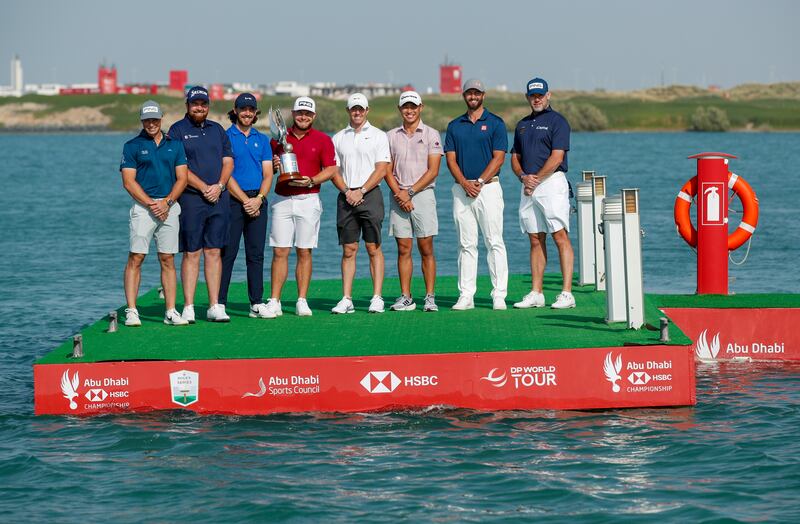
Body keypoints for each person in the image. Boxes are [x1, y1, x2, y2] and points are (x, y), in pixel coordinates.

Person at [266, 96, 338, 317]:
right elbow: (268, 169)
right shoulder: (278, 139)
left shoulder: (324, 139)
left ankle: (301, 300)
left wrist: (312, 180)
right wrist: (276, 164)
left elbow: (331, 169)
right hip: (283, 199)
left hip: (309, 199)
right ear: (293, 114)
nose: (303, 117)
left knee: (304, 250)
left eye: (307, 113)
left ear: (313, 116)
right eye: (299, 113)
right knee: (280, 250)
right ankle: (275, 301)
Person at [120, 100, 189, 326]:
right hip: (144, 208)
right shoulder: (131, 146)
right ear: (142, 120)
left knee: (168, 258)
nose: (151, 123)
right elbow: (129, 183)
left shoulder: (175, 145)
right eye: (147, 120)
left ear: (161, 119)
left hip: (169, 207)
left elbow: (182, 179)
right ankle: (132, 310)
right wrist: (152, 204)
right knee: (136, 257)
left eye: (155, 119)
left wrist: (167, 202)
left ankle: (170, 311)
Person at [168, 86, 234, 322]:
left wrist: (219, 185)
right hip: (191, 199)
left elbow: (228, 161)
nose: (199, 107)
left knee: (214, 251)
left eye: (203, 104)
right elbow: (180, 168)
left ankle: (214, 305)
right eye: (195, 104)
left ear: (208, 106)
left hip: (218, 198)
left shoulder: (217, 130)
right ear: (187, 105)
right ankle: (188, 306)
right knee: (192, 252)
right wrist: (204, 187)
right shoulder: (177, 130)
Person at [444, 79, 509, 311]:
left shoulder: (496, 123)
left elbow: (499, 157)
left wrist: (479, 182)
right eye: (469, 93)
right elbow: (450, 159)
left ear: (483, 95)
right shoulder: (454, 125)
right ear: (464, 96)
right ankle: (466, 295)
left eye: (477, 93)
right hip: (461, 190)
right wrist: (464, 183)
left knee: (494, 242)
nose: (473, 96)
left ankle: (499, 294)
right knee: (466, 244)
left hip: (489, 188)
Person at [511, 77, 576, 309]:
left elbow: (557, 156)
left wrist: (535, 179)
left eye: (540, 95)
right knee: (535, 238)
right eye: (532, 95)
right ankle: (536, 292)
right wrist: (523, 178)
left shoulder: (558, 121)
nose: (536, 99)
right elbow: (515, 158)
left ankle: (567, 294)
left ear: (548, 95)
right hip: (528, 185)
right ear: (528, 97)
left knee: (560, 235)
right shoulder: (522, 124)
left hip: (551, 183)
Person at [330, 93, 391, 314]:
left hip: (371, 194)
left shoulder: (378, 136)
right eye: (353, 109)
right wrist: (347, 191)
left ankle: (377, 297)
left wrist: (362, 190)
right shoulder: (338, 138)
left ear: (367, 110)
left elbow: (382, 168)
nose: (357, 112)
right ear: (348, 110)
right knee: (349, 249)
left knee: (373, 247)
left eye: (361, 109)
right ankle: (346, 298)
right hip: (346, 196)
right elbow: (333, 170)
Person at [384, 91, 443, 312]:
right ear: (400, 109)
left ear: (421, 107)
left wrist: (409, 192)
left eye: (413, 106)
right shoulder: (390, 136)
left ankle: (429, 296)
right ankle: (406, 297)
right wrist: (400, 193)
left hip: (422, 195)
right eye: (405, 107)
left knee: (426, 247)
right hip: (397, 195)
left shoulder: (431, 134)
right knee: (403, 247)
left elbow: (434, 170)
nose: (409, 110)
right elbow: (386, 169)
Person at [219, 93, 275, 318]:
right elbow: (226, 173)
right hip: (233, 201)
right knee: (228, 253)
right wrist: (245, 200)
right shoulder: (225, 137)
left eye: (251, 109)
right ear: (235, 110)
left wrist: (259, 199)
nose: (247, 113)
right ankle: (220, 302)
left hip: (258, 201)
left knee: (256, 254)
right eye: (243, 109)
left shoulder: (262, 140)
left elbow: (268, 173)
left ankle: (256, 303)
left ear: (255, 112)